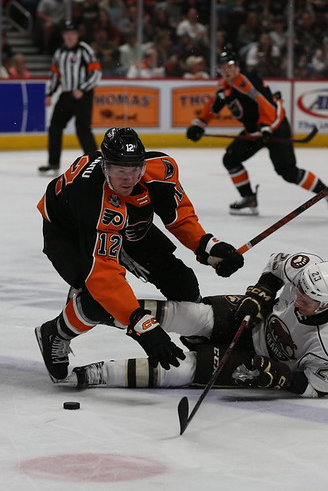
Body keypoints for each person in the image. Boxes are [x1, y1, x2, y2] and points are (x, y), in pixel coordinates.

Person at [34, 127, 245, 383]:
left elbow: (178, 215)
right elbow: (103, 273)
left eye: (135, 170)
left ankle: (195, 336)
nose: (129, 178)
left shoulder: (161, 169)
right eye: (120, 171)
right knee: (97, 301)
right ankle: (55, 334)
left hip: (127, 222)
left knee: (182, 283)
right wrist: (141, 324)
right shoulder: (92, 196)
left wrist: (207, 246)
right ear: (105, 168)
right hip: (70, 232)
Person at [73, 251, 328, 399]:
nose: (298, 298)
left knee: (184, 369)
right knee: (190, 315)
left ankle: (94, 374)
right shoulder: (306, 268)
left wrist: (280, 376)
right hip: (259, 319)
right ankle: (99, 308)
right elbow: (276, 265)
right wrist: (261, 293)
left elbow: (318, 387)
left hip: (263, 361)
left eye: (307, 299)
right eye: (298, 289)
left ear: (326, 304)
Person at [186, 49, 328, 216]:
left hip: (275, 127)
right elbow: (212, 106)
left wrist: (266, 127)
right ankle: (248, 198)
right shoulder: (224, 87)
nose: (226, 70)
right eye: (222, 67)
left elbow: (265, 104)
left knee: (288, 172)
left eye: (230, 66)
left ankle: (327, 192)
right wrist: (199, 124)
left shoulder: (246, 82)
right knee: (231, 159)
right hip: (255, 132)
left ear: (237, 66)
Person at [38, 20, 102, 175]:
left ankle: (96, 163)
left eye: (72, 34)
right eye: (67, 34)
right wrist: (50, 93)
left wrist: (82, 89)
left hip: (83, 95)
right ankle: (53, 163)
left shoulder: (85, 50)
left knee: (83, 128)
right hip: (66, 94)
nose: (69, 37)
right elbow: (55, 75)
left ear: (77, 35)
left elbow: (96, 72)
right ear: (63, 36)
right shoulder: (59, 52)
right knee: (55, 126)